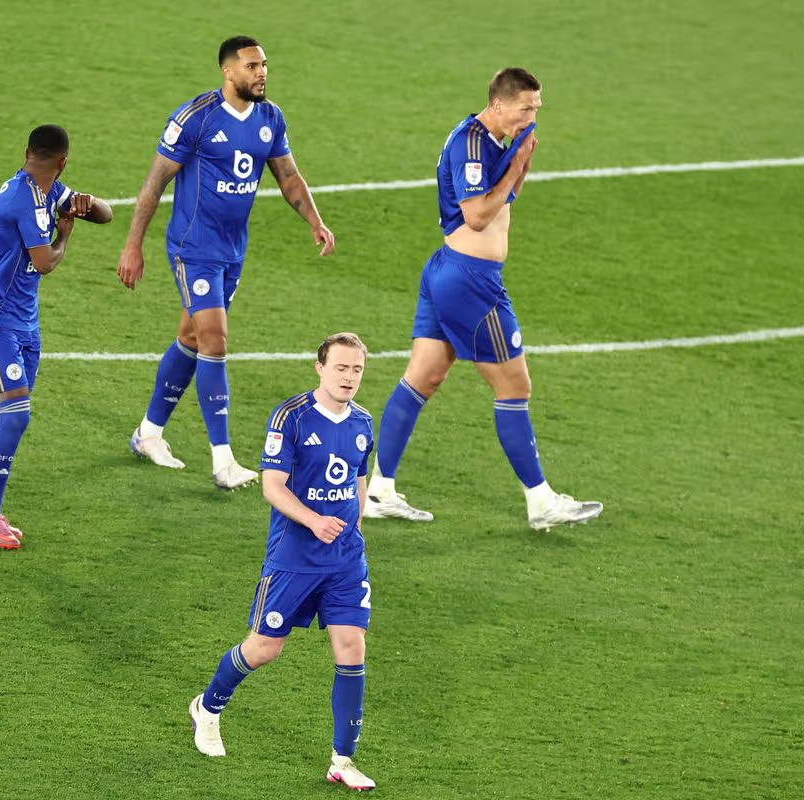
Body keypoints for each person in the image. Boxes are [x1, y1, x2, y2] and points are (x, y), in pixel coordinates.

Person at [364, 67, 603, 531]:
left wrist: (521, 161)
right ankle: (541, 501)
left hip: (449, 271)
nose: (532, 117)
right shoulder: (471, 144)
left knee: (422, 378)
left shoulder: (495, 139)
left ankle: (379, 490)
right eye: (525, 109)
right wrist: (515, 165)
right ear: (498, 104)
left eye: (536, 108)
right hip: (471, 280)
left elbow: (507, 197)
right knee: (514, 387)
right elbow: (476, 216)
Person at [117, 34, 336, 490]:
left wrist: (315, 221)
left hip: (232, 250)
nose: (262, 73)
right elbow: (154, 183)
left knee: (191, 337)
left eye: (264, 65)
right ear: (228, 71)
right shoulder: (195, 117)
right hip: (193, 247)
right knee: (215, 341)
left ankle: (148, 434)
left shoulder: (270, 118)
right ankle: (223, 461)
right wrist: (133, 246)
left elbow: (289, 176)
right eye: (252, 66)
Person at [189, 332, 376, 790]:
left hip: (345, 560)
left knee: (352, 648)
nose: (349, 377)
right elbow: (272, 487)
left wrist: (356, 526)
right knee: (264, 648)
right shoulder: (291, 417)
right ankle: (207, 708)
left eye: (356, 369)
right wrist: (314, 521)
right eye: (341, 368)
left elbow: (358, 478)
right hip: (294, 557)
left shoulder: (363, 422)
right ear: (320, 367)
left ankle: (342, 759)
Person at [0, 125, 113, 549]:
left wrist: (85, 204)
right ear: (64, 160)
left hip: (23, 322)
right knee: (16, 415)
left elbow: (106, 214)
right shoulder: (24, 199)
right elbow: (45, 262)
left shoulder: (47, 189)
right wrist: (65, 233)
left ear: (29, 152)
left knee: (5, 415)